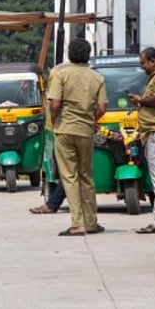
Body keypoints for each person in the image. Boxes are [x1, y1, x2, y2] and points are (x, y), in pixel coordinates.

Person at [46, 38, 107, 236]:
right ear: (88, 54)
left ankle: (77, 222)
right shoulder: (97, 78)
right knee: (86, 176)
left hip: (64, 129)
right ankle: (91, 221)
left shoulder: (61, 75)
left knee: (69, 176)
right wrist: (90, 118)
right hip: (86, 131)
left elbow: (54, 104)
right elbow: (102, 108)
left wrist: (55, 121)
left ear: (69, 54)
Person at [127, 47, 155, 234]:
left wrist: (141, 101)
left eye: (143, 63)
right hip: (149, 133)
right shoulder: (154, 77)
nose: (142, 67)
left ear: (153, 61)